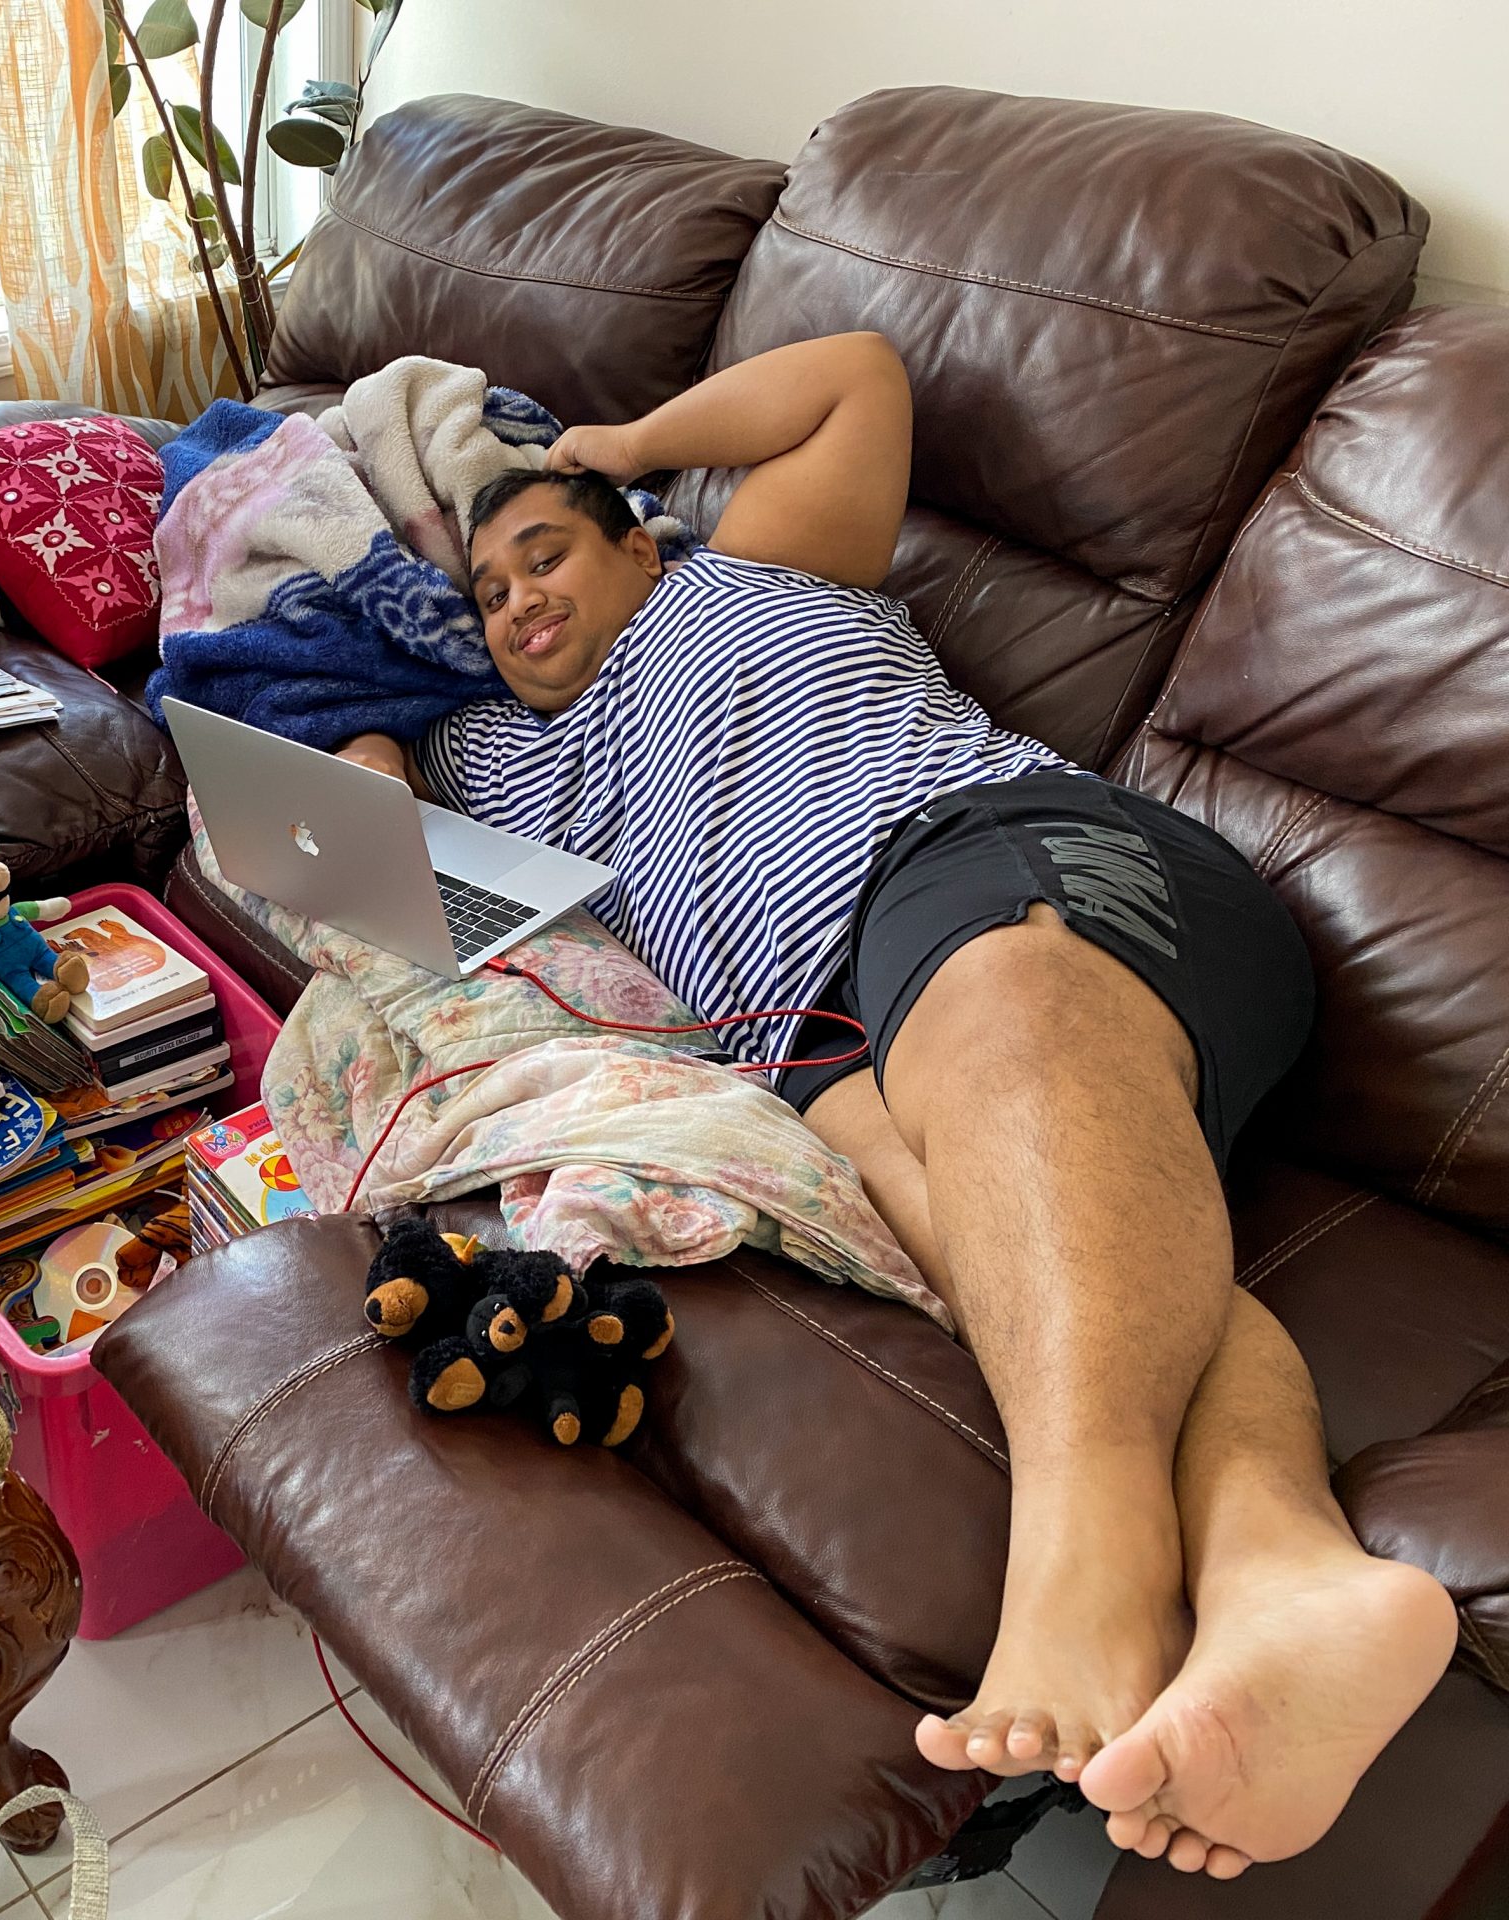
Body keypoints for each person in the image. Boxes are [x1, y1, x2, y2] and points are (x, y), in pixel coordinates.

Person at [332, 332, 1456, 1880]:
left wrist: (617, 437)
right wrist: (384, 747)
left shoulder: (755, 569)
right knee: (989, 1244)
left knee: (1003, 1011)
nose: (521, 600)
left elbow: (856, 371)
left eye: (548, 554)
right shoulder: (494, 765)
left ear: (633, 539)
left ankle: (1090, 1565)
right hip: (816, 1047)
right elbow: (344, 827)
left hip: (1002, 864)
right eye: (491, 596)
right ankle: (1287, 1572)